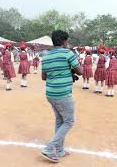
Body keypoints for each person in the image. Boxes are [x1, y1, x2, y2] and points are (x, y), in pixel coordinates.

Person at [40, 30, 83, 163]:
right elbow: (80, 72)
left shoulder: (46, 56)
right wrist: (69, 69)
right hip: (62, 94)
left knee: (60, 120)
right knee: (69, 121)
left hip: (50, 94)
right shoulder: (68, 53)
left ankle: (59, 150)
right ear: (64, 41)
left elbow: (44, 77)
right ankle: (49, 148)